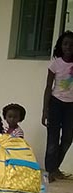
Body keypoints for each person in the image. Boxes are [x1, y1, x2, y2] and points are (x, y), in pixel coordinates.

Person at [42, 31, 73, 182]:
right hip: (56, 104)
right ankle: (50, 171)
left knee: (67, 138)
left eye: (72, 44)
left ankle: (55, 168)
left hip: (71, 106)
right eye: (65, 43)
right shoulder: (55, 64)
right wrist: (45, 110)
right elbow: (48, 87)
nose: (68, 47)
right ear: (61, 45)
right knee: (53, 140)